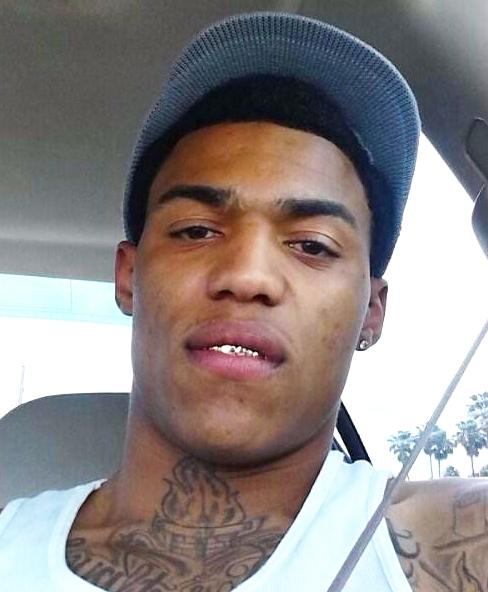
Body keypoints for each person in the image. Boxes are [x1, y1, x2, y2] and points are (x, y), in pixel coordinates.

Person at [0, 11, 486, 592]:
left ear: (372, 312)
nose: (248, 275)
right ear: (129, 277)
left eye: (312, 245)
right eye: (196, 231)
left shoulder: (453, 544)